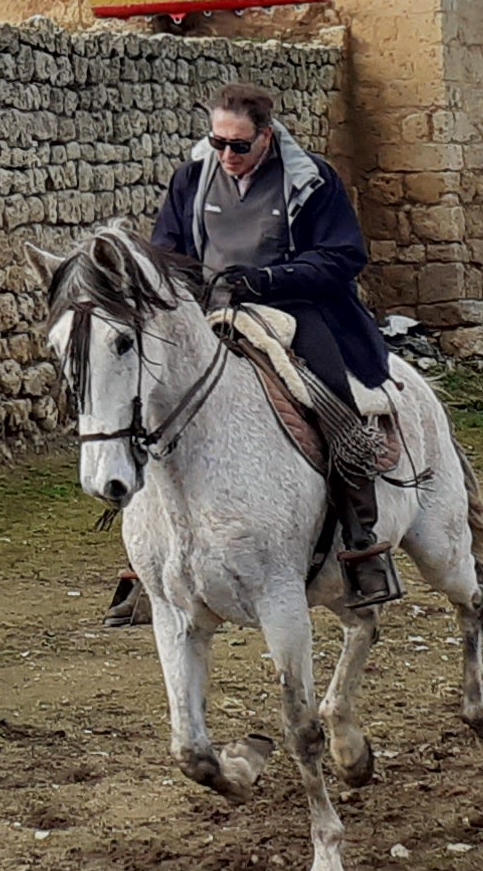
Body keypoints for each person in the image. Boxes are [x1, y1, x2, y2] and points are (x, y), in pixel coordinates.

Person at [153, 80, 407, 606]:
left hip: (296, 310)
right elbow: (167, 249)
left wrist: (272, 279)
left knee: (335, 403)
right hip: (212, 311)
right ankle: (149, 557)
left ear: (266, 138)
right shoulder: (191, 180)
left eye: (239, 146)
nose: (226, 155)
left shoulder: (311, 181)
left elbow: (343, 256)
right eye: (218, 142)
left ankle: (362, 541)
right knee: (147, 398)